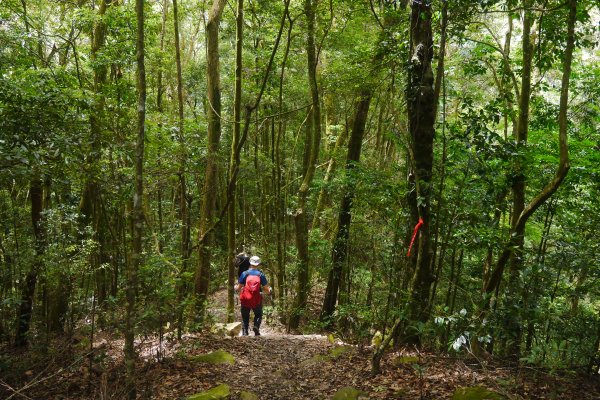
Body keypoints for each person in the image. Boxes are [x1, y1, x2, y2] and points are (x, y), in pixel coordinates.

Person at [235, 255, 271, 336]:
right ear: (258, 264)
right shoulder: (261, 274)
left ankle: (245, 332)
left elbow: (238, 288)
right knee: (258, 314)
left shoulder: (244, 273)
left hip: (245, 298)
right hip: (256, 299)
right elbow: (266, 289)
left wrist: (235, 287)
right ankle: (256, 326)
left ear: (250, 263)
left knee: (245, 316)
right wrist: (269, 291)